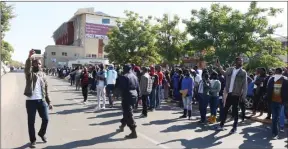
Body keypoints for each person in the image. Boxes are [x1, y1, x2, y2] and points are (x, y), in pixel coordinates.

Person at [24, 49, 53, 148]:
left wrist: (49, 102)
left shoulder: (43, 75)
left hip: (41, 101)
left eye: (40, 64)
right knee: (31, 122)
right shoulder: (30, 74)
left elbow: (46, 89)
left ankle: (41, 133)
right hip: (31, 102)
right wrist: (29, 57)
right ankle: (33, 140)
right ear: (33, 65)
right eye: (36, 64)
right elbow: (27, 68)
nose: (38, 65)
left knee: (46, 119)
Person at [215, 57, 248, 134]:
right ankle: (221, 125)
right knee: (225, 110)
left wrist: (243, 96)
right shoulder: (230, 69)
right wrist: (219, 66)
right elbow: (224, 73)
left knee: (235, 112)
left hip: (236, 94)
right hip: (229, 93)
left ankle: (234, 128)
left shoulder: (243, 72)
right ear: (235, 62)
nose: (241, 62)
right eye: (239, 61)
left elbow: (245, 85)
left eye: (241, 61)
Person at [117, 64, 139, 139]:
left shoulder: (125, 76)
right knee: (127, 111)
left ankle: (133, 131)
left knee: (128, 113)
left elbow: (122, 88)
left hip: (127, 95)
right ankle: (122, 125)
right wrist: (139, 98)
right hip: (134, 95)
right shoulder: (134, 76)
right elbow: (137, 87)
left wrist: (115, 95)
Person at [267, 68, 288, 139]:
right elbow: (268, 89)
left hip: (280, 102)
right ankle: (275, 133)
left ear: (281, 73)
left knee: (277, 117)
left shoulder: (285, 80)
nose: (277, 74)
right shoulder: (272, 79)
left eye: (278, 72)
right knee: (275, 117)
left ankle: (275, 133)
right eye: (276, 72)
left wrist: (285, 100)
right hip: (273, 101)